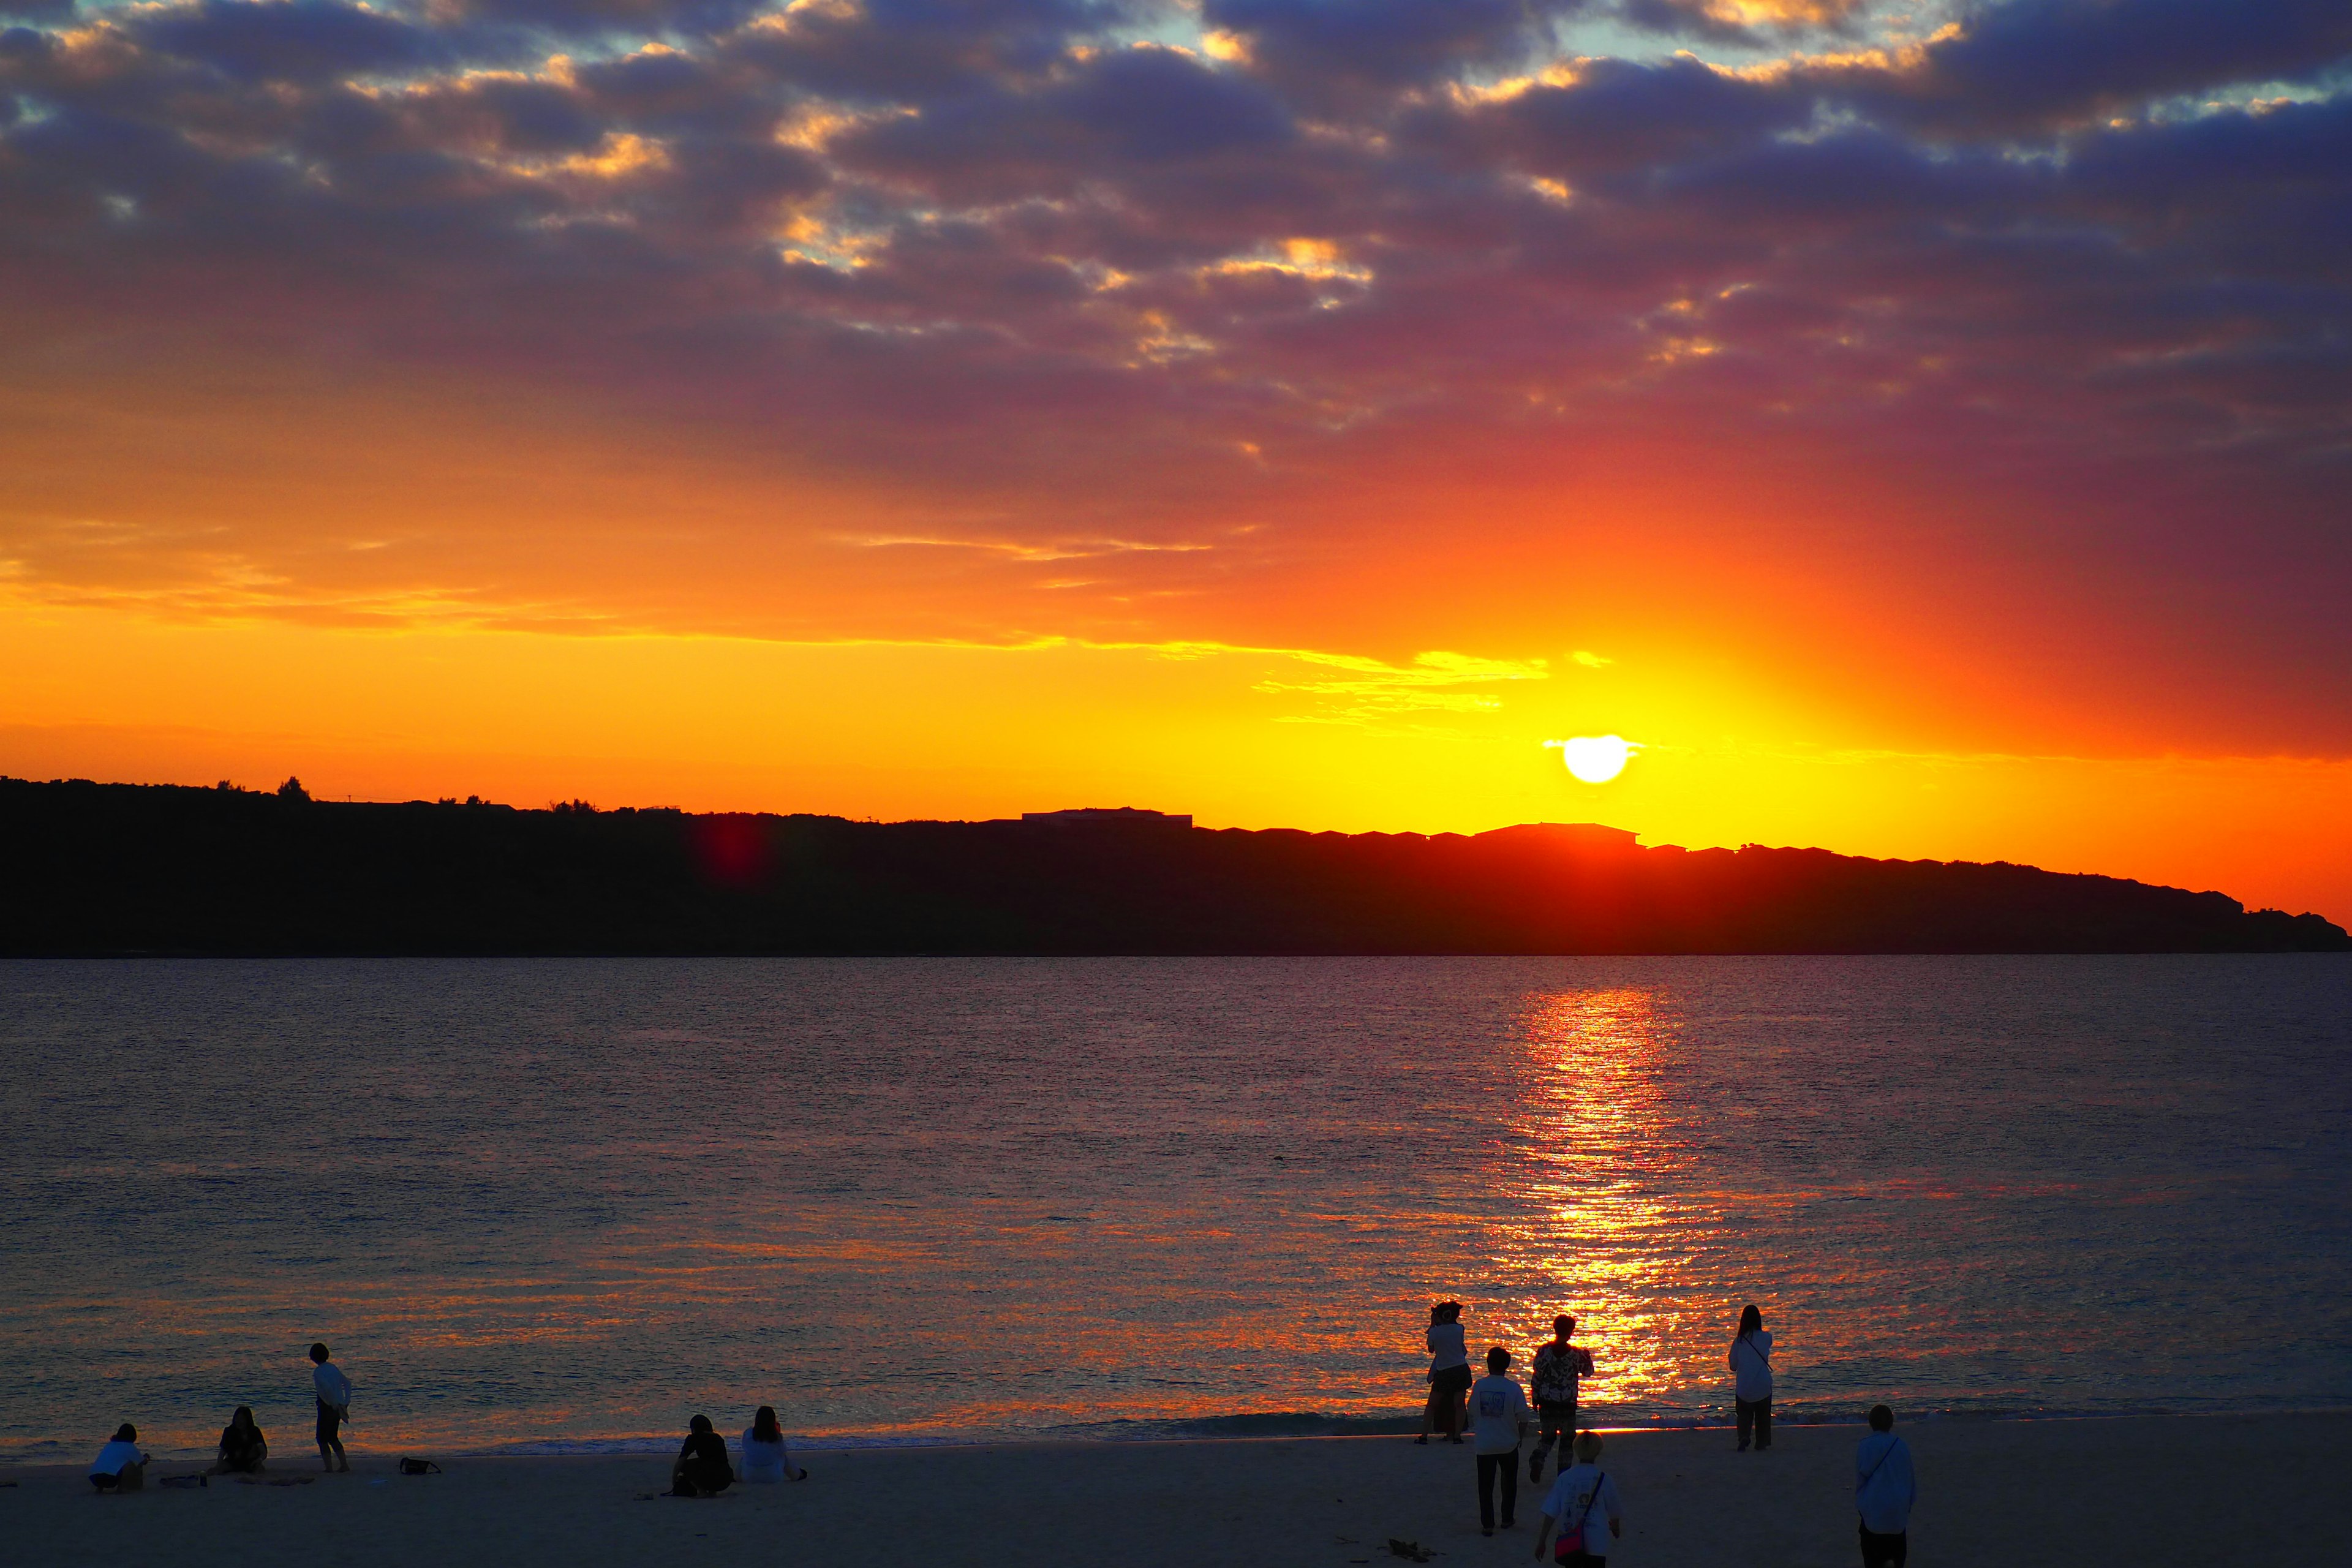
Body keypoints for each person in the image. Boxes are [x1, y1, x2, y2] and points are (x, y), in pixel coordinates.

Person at [1532, 1431, 1621, 1566]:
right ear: (1598, 1451)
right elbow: (1614, 1510)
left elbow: (1551, 1512)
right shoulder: (1605, 1479)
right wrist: (1615, 1527)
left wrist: (1542, 1541)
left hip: (1570, 1540)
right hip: (1597, 1541)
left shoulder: (1565, 1478)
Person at [1469, 1346, 1532, 1536]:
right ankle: (1506, 1518)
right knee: (1509, 1483)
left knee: (1486, 1486)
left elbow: (1471, 1410)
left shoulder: (1479, 1386)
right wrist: (1519, 1437)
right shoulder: (1513, 1388)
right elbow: (1523, 1418)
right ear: (1507, 1366)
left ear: (1488, 1364)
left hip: (1485, 1443)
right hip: (1508, 1442)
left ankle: (1488, 1523)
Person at [1528, 1314, 1595, 1483]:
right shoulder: (1576, 1354)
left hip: (1547, 1400)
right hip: (1567, 1403)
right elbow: (1588, 1372)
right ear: (1571, 1332)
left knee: (1547, 1438)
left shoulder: (1544, 1351)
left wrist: (1535, 1397)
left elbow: (1537, 1376)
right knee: (1567, 1441)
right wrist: (1587, 1356)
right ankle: (1563, 1475)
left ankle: (1538, 1459)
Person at [1855, 1404, 1918, 1567]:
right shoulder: (1901, 1445)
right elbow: (1910, 1480)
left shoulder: (1865, 1445)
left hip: (1873, 1517)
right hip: (1898, 1515)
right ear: (1891, 1423)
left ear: (1871, 1423)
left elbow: (1860, 1481)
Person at [1417, 1302, 1472, 1444]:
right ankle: (1457, 1437)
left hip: (1444, 1372)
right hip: (1461, 1369)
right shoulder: (1460, 1329)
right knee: (1459, 1404)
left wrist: (1432, 1324)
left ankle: (1424, 1436)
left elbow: (1431, 1349)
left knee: (1432, 1405)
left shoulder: (1435, 1332)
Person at [1729, 1304, 1773, 1452]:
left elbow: (1733, 1366)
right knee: (1763, 1416)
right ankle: (1762, 1442)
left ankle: (1744, 1436)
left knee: (1744, 1414)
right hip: (1763, 1385)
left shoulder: (1739, 1341)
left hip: (1744, 1387)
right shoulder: (1767, 1338)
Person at [311, 1342, 353, 1472]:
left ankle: (329, 1468)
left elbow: (327, 1389)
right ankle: (344, 1465)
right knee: (333, 1437)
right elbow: (347, 1383)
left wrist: (334, 1403)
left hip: (328, 1406)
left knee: (322, 1438)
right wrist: (346, 1401)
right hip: (339, 1405)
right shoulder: (333, 1368)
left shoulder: (318, 1372)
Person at [738, 1406, 807, 1483]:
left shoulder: (748, 1434)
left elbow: (745, 1447)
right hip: (773, 1477)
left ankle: (735, 1477)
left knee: (745, 1457)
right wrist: (779, 1433)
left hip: (749, 1477)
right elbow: (783, 1451)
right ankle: (797, 1475)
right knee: (783, 1458)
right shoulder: (776, 1438)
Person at [671, 1414, 734, 1496]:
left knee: (685, 1465)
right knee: (711, 1464)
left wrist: (674, 1476)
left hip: (711, 1476)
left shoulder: (694, 1438)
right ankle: (712, 1491)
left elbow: (682, 1459)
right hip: (726, 1479)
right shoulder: (718, 1438)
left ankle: (702, 1491)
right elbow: (721, 1459)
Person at [89, 1423, 149, 1493]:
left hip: (94, 1477)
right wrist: (146, 1458)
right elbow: (142, 1462)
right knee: (130, 1464)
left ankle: (100, 1488)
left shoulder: (110, 1444)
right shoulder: (129, 1446)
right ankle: (121, 1488)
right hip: (111, 1478)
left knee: (112, 1463)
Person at [209, 1406, 269, 1475]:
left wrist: (259, 1460)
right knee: (216, 1470)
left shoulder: (255, 1431)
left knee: (260, 1470)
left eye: (242, 1419)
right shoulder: (229, 1431)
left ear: (248, 1420)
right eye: (237, 1419)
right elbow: (223, 1451)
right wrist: (218, 1465)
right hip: (232, 1462)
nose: (239, 1421)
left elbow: (263, 1452)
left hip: (251, 1461)